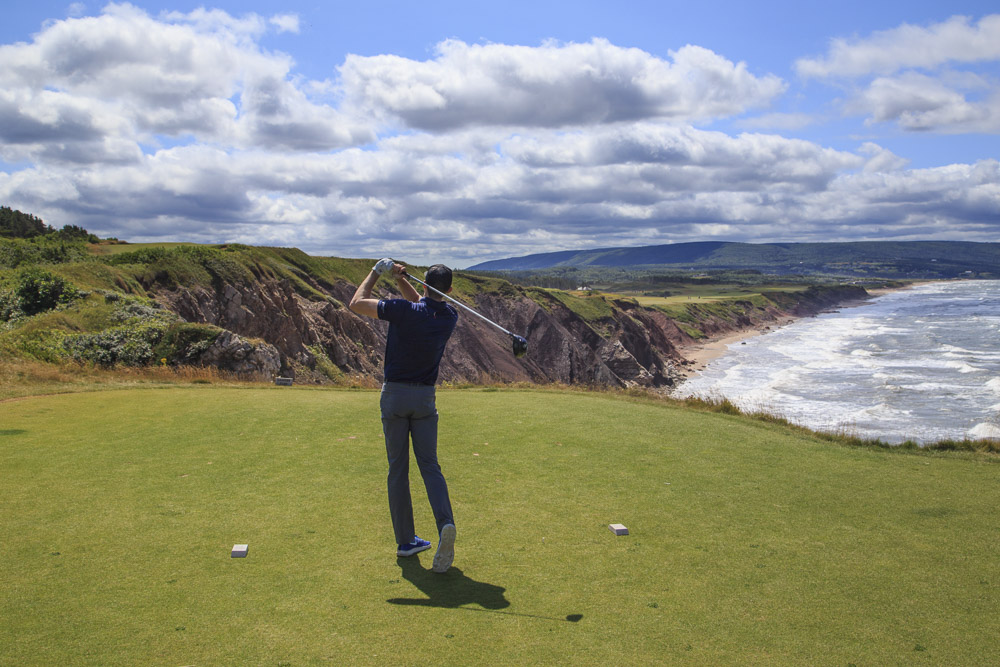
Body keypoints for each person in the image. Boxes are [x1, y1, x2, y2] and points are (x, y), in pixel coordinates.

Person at [349, 258, 459, 573]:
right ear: (449, 291)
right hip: (425, 399)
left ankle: (406, 541)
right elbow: (425, 306)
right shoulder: (449, 316)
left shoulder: (401, 310)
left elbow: (356, 303)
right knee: (430, 467)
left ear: (424, 285)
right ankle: (445, 524)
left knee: (398, 470)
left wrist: (376, 272)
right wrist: (400, 278)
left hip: (395, 396)